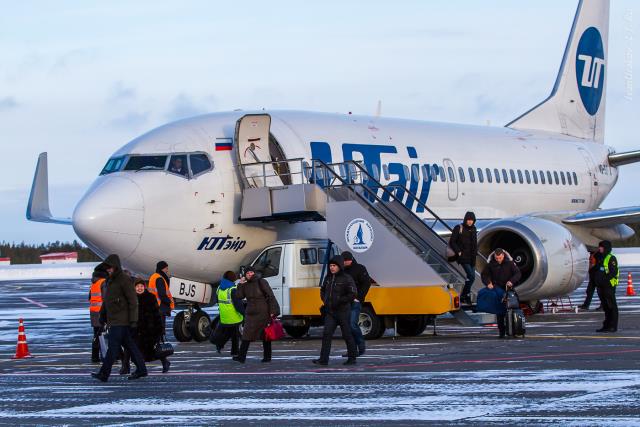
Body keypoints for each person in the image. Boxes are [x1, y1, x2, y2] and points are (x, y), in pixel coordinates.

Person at [92, 254, 147, 382]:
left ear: (116, 267)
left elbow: (133, 301)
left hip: (121, 321)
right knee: (131, 346)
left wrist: (133, 320)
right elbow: (107, 301)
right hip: (115, 320)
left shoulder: (124, 279)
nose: (108, 270)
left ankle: (104, 374)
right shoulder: (110, 281)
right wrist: (102, 316)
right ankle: (142, 369)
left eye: (110, 268)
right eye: (107, 268)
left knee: (113, 348)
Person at [313, 256, 358, 366]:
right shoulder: (328, 278)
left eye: (334, 266)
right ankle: (323, 359)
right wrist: (325, 300)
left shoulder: (346, 278)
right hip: (330, 312)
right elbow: (322, 290)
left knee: (347, 334)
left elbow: (352, 294)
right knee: (326, 334)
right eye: (330, 266)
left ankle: (352, 358)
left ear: (339, 266)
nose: (332, 268)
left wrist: (341, 300)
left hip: (343, 311)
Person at [121, 279, 170, 374]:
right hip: (135, 328)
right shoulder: (131, 299)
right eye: (137, 286)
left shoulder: (150, 297)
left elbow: (157, 313)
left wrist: (160, 329)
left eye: (141, 286)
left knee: (152, 349)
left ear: (144, 287)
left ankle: (165, 362)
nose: (139, 288)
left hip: (149, 329)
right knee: (131, 348)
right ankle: (126, 366)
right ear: (134, 288)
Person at [234, 267, 280, 363]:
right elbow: (239, 296)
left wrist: (273, 310)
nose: (250, 274)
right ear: (245, 275)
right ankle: (241, 357)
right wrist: (240, 284)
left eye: (251, 272)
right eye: (248, 273)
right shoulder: (245, 284)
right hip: (251, 312)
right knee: (246, 334)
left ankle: (267, 357)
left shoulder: (261, 281)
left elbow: (270, 295)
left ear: (254, 273)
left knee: (265, 334)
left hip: (263, 311)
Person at [481, 248, 521, 338]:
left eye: (499, 258)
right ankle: (502, 332)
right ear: (494, 256)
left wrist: (511, 281)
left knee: (513, 309)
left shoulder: (510, 263)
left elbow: (518, 273)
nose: (498, 260)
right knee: (500, 312)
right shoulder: (490, 264)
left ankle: (514, 330)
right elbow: (484, 275)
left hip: (508, 289)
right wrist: (488, 283)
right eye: (496, 258)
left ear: (503, 255)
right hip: (497, 289)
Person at [341, 251, 370, 356]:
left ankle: (361, 346)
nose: (344, 263)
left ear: (350, 260)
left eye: (345, 261)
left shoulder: (359, 268)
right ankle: (352, 350)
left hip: (355, 301)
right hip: (344, 302)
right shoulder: (341, 270)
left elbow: (366, 283)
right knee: (347, 327)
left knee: (352, 324)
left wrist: (359, 298)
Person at [449, 211, 478, 305]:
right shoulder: (459, 228)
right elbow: (452, 241)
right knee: (471, 276)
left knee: (471, 278)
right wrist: (459, 252)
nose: (470, 222)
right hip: (463, 257)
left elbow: (474, 244)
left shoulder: (474, 229)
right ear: (465, 219)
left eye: (472, 220)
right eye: (469, 220)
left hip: (472, 257)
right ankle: (466, 295)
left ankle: (464, 296)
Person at [213, 271, 245, 355]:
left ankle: (221, 345)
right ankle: (234, 351)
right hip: (233, 316)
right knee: (234, 335)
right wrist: (244, 313)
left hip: (224, 316)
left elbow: (217, 300)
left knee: (230, 333)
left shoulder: (219, 288)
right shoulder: (232, 289)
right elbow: (238, 305)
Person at [594, 240, 619, 333]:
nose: (599, 248)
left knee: (611, 306)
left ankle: (613, 326)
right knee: (606, 307)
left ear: (605, 248)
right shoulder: (600, 257)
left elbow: (613, 272)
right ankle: (606, 325)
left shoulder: (611, 258)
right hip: (601, 286)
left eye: (601, 247)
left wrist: (604, 281)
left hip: (608, 286)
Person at [148, 261, 175, 337]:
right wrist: (169, 301)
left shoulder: (154, 276)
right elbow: (162, 294)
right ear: (162, 269)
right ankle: (159, 345)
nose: (167, 270)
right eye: (166, 268)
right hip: (160, 307)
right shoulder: (159, 278)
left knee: (155, 328)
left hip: (154, 305)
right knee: (160, 329)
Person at [89, 264, 109, 363]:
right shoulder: (103, 282)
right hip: (101, 312)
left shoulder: (93, 283)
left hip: (93, 312)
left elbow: (90, 297)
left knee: (96, 335)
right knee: (102, 334)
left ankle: (95, 356)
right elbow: (106, 299)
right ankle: (104, 356)